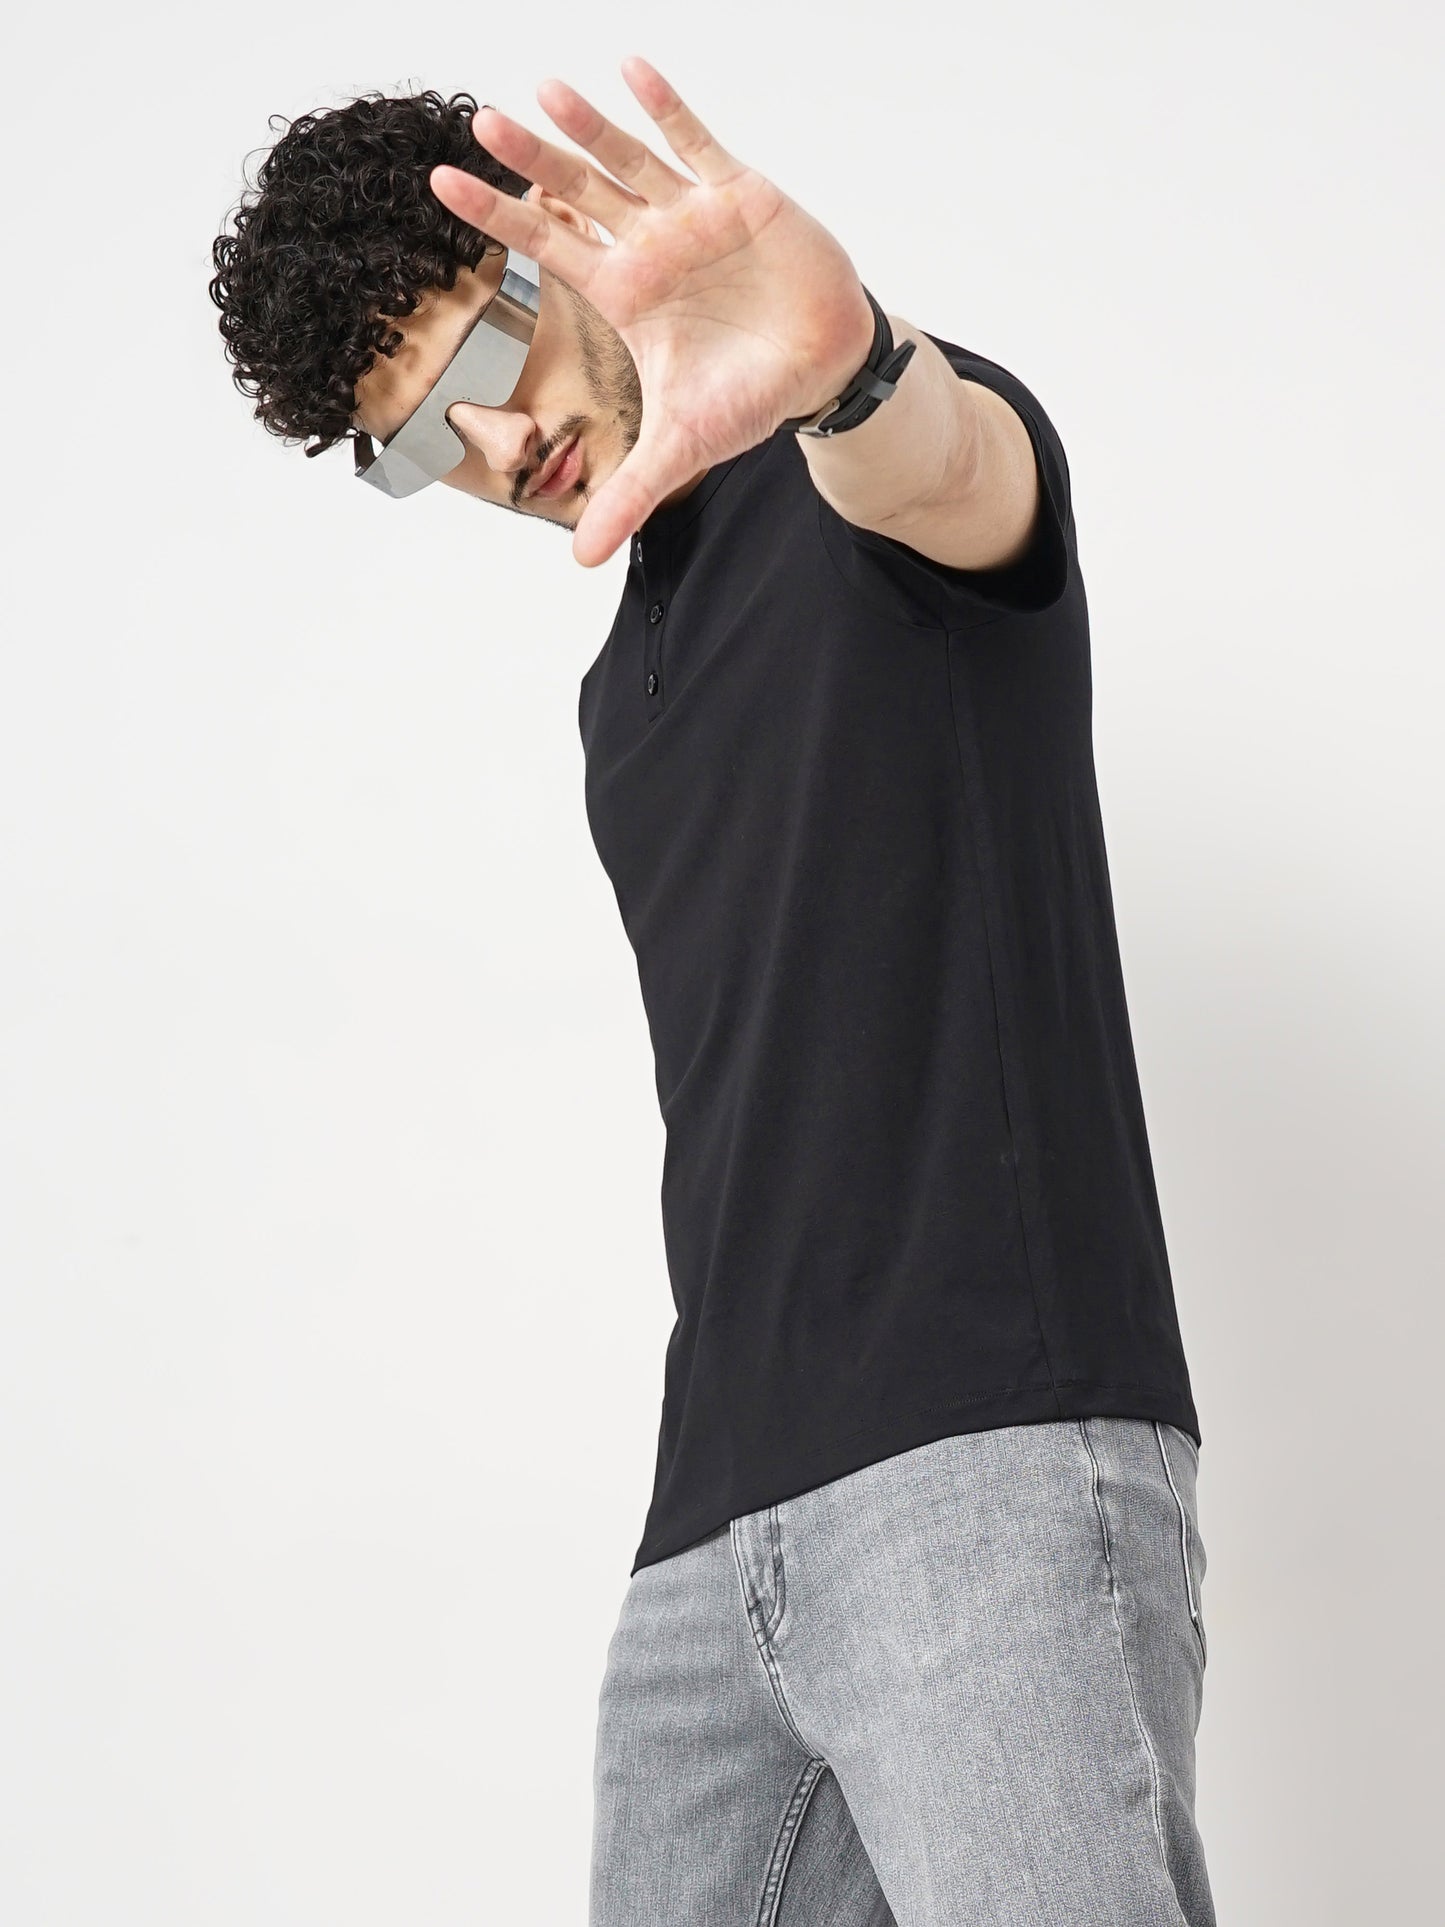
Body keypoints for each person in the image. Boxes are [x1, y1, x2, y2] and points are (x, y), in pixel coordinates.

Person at [210, 61, 1217, 1927]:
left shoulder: (858, 482)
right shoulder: (623, 697)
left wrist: (853, 377)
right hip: (712, 1535)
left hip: (981, 1458)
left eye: (484, 352)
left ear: (560, 247)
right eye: (421, 442)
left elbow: (955, 470)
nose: (496, 442)